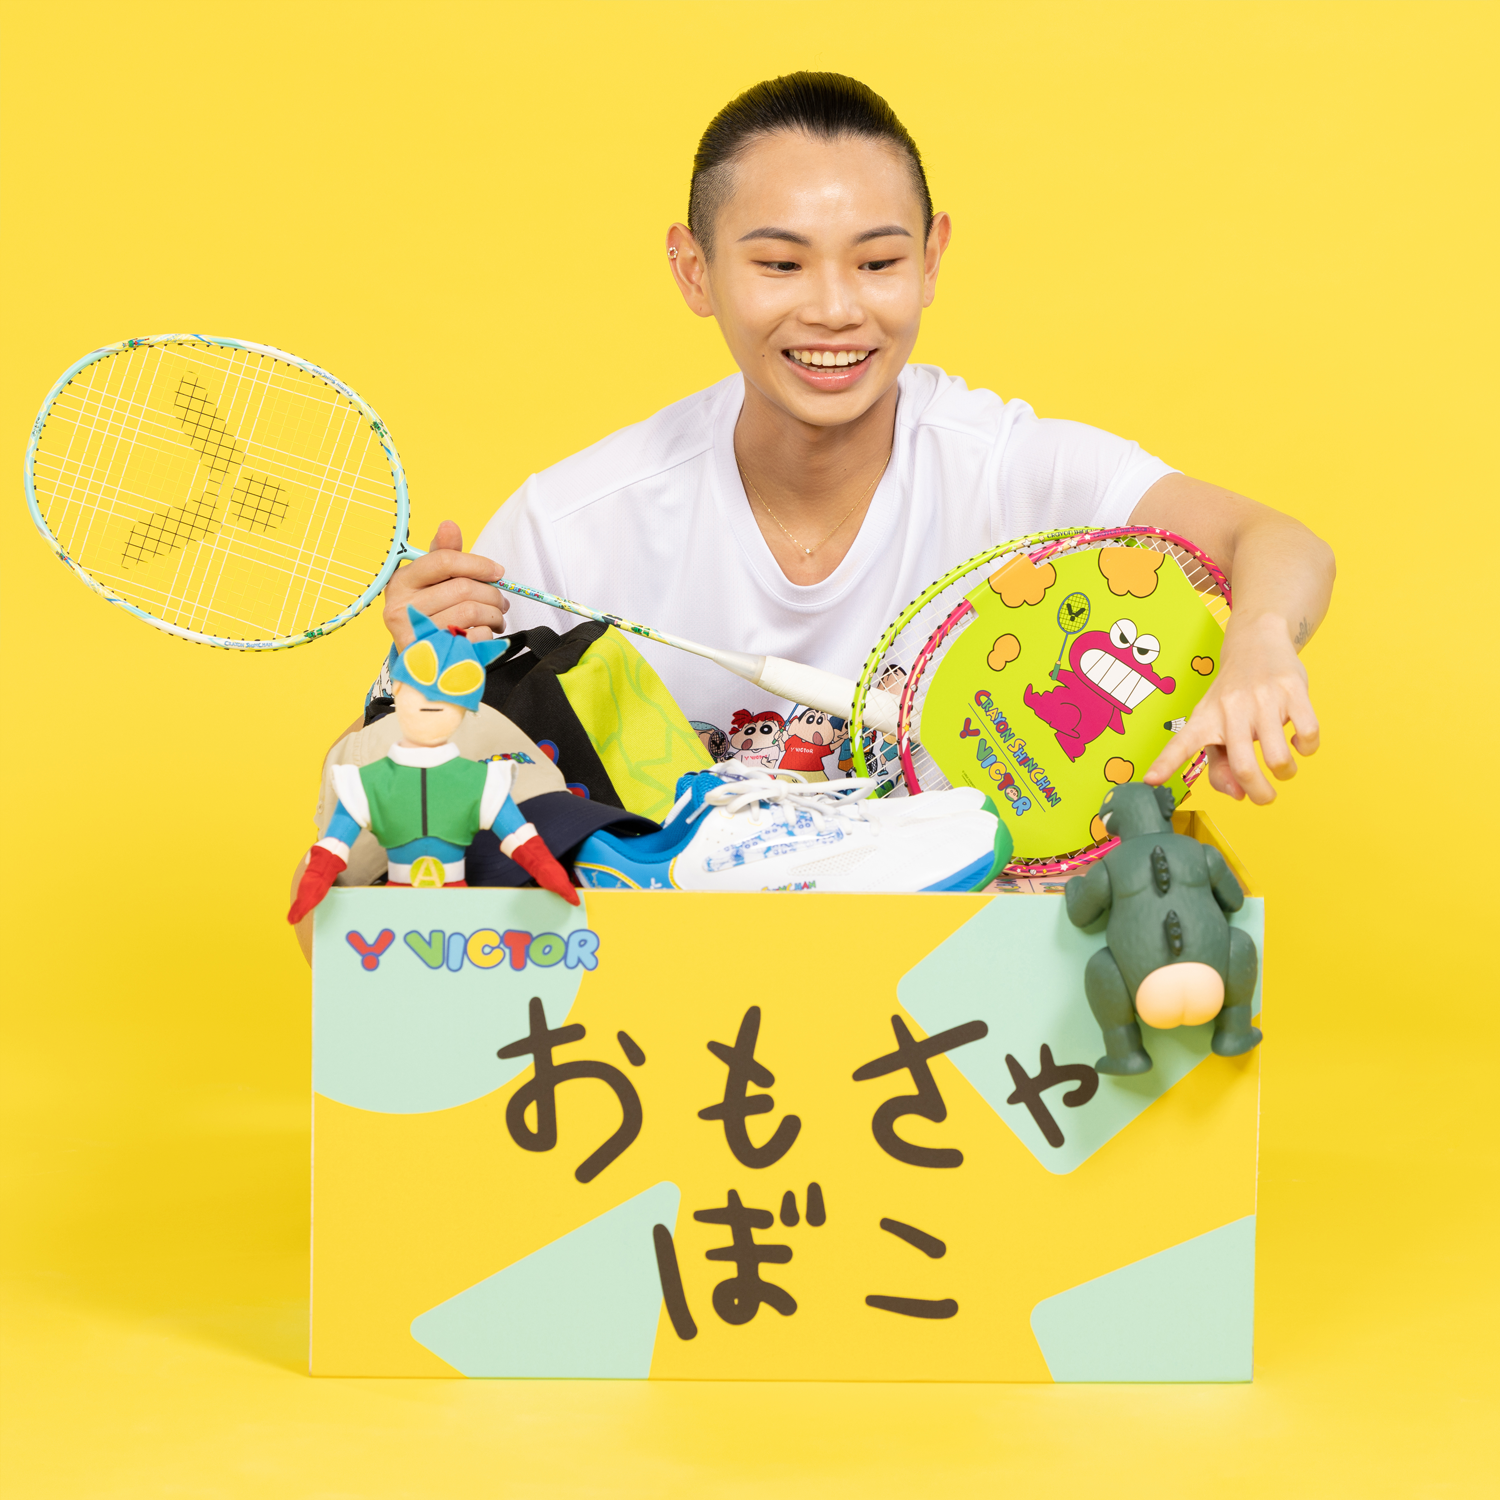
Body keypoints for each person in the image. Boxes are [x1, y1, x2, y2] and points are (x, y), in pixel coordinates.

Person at [378, 71, 1334, 809]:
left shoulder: (1007, 469)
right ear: (694, 271)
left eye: (877, 262)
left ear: (931, 261)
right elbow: (396, 863)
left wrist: (1259, 640)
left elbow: (1280, 543)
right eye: (780, 263)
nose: (836, 309)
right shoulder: (569, 527)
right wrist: (424, 680)